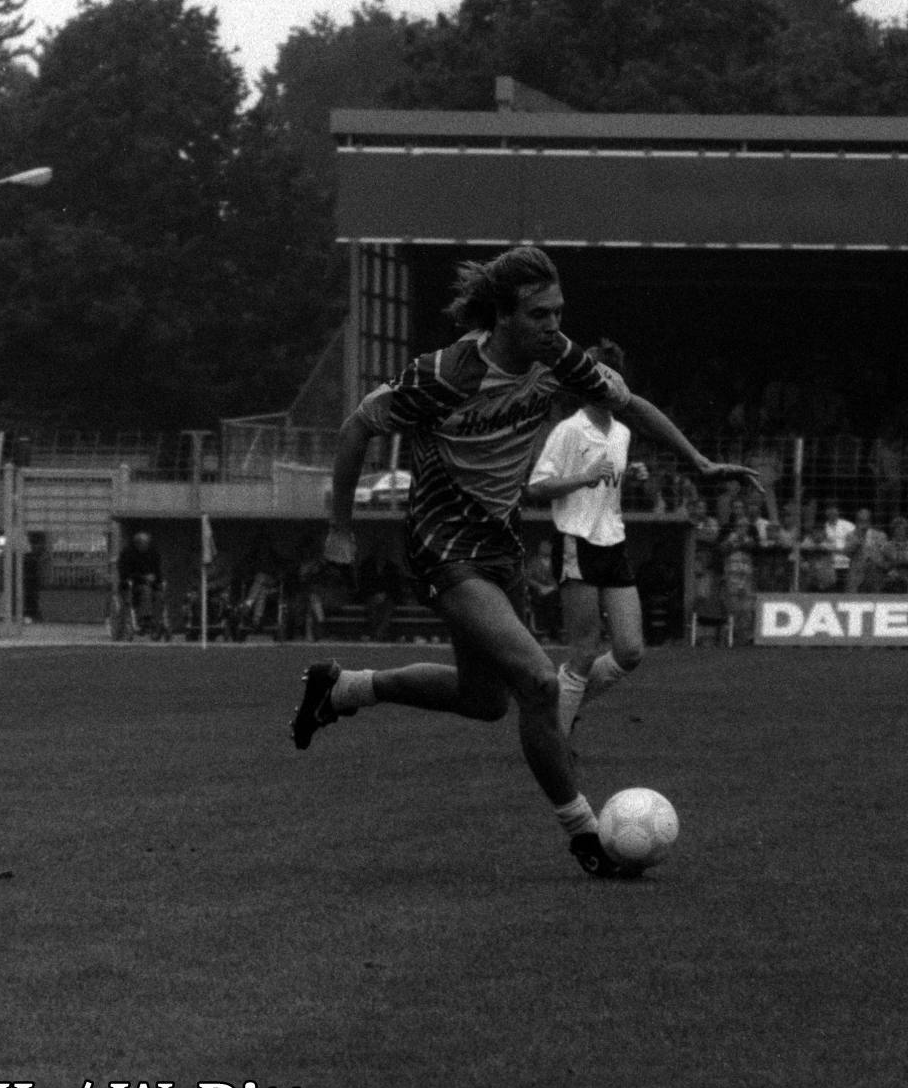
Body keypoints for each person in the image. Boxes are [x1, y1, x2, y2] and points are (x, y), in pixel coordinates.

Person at [287, 245, 762, 879]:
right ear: (504, 316)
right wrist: (341, 529)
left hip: (500, 547)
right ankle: (587, 835)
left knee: (485, 700)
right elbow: (355, 429)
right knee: (540, 683)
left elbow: (629, 405)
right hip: (444, 550)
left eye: (559, 312)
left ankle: (343, 689)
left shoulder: (559, 359)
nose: (554, 326)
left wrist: (699, 463)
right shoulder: (443, 374)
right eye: (540, 315)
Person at [528, 340, 653, 734]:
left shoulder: (622, 434)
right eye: (599, 377)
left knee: (630, 650)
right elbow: (536, 486)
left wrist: (631, 478)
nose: (606, 385)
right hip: (575, 541)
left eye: (612, 377)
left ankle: (560, 708)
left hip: (612, 542)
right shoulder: (569, 430)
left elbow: (607, 485)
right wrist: (583, 476)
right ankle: (556, 741)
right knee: (584, 650)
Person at [116, 529, 164, 637]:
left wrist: (157, 579)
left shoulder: (153, 554)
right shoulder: (127, 554)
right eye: (143, 543)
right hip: (132, 585)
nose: (145, 545)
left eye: (147, 543)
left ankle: (157, 622)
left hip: (151, 585)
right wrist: (143, 577)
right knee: (145, 590)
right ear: (137, 543)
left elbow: (158, 571)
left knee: (159, 595)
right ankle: (145, 619)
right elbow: (125, 573)